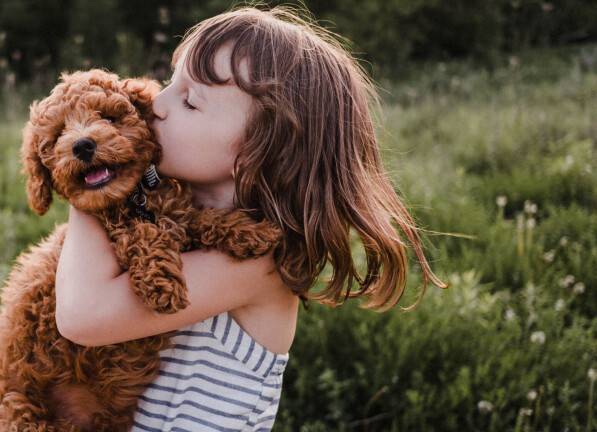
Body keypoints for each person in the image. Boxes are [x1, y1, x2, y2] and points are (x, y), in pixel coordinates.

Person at [54, 6, 446, 431]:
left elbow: (81, 316)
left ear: (254, 153)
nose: (154, 104)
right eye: (170, 83)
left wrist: (91, 186)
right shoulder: (178, 225)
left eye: (188, 101)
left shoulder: (258, 263)